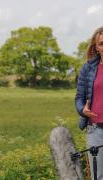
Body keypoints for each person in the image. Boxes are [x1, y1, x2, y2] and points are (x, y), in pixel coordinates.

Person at [75, 26, 103, 180]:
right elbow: (79, 98)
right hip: (95, 130)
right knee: (98, 176)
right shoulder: (88, 69)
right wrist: (82, 110)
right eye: (102, 43)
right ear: (96, 47)